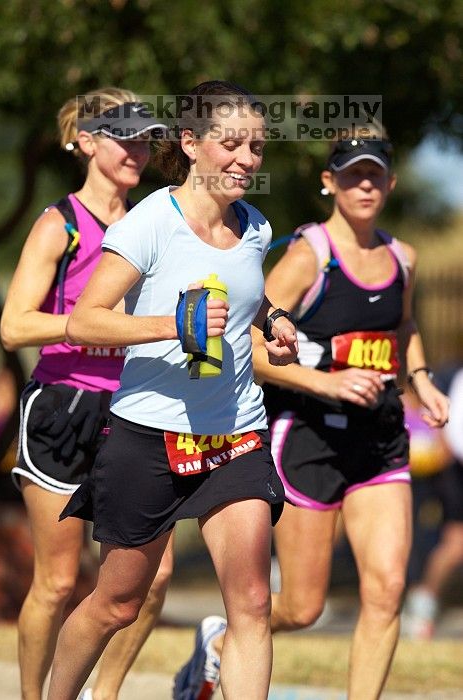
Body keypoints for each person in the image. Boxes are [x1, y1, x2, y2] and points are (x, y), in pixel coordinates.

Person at [45, 80, 298, 700]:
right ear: (191, 143)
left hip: (234, 431)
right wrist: (170, 326)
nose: (246, 159)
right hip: (149, 434)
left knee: (252, 605)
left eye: (257, 147)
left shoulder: (256, 227)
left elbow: (243, 291)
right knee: (117, 602)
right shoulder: (151, 221)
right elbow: (85, 318)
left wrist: (272, 320)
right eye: (231, 144)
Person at [176, 132, 450, 700]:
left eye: (375, 175)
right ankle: (220, 643)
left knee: (387, 588)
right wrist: (326, 381)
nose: (365, 185)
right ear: (330, 183)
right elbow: (247, 343)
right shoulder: (310, 256)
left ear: (391, 183)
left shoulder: (404, 257)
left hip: (380, 436)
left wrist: (420, 380)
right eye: (352, 175)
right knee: (303, 607)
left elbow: (405, 329)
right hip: (308, 437)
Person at [0, 87, 174, 700]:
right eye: (123, 136)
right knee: (57, 581)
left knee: (153, 581)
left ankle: (104, 694)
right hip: (61, 409)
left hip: (133, 410)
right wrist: (88, 322)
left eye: (145, 139)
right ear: (88, 142)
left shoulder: (155, 223)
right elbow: (14, 325)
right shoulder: (60, 225)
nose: (137, 150)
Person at [402, 368, 463, 639]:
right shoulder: (453, 374)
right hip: (436, 476)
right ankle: (420, 607)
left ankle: (421, 604)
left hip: (439, 473)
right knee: (442, 542)